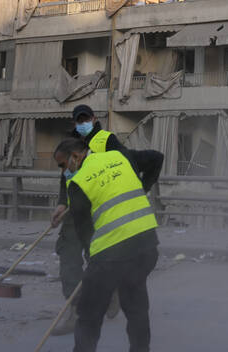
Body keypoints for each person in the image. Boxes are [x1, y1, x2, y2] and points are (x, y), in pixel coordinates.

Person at [53, 137, 164, 352]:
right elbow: (155, 158)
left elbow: (84, 231)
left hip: (111, 256)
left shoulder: (78, 182)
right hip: (147, 246)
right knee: (136, 307)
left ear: (75, 156)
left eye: (62, 165)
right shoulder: (120, 156)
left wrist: (92, 265)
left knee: (89, 314)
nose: (63, 171)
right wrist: (143, 187)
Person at [50, 106, 127, 334]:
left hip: (99, 210)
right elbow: (65, 178)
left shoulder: (107, 141)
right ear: (74, 123)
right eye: (78, 120)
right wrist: (62, 203)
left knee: (98, 259)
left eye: (85, 119)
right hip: (75, 212)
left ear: (93, 119)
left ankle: (112, 291)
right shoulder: (69, 143)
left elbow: (124, 168)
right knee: (68, 255)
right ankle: (76, 312)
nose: (82, 123)